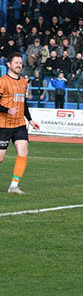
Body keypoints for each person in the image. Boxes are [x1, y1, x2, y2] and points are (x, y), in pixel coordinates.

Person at [0, 53, 40, 194]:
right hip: (3, 125)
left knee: (23, 151)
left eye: (20, 63)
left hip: (19, 124)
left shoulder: (24, 82)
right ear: (9, 64)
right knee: (0, 157)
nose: (19, 65)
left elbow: (24, 102)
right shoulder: (2, 81)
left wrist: (30, 119)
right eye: (16, 62)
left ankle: (13, 186)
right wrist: (7, 110)